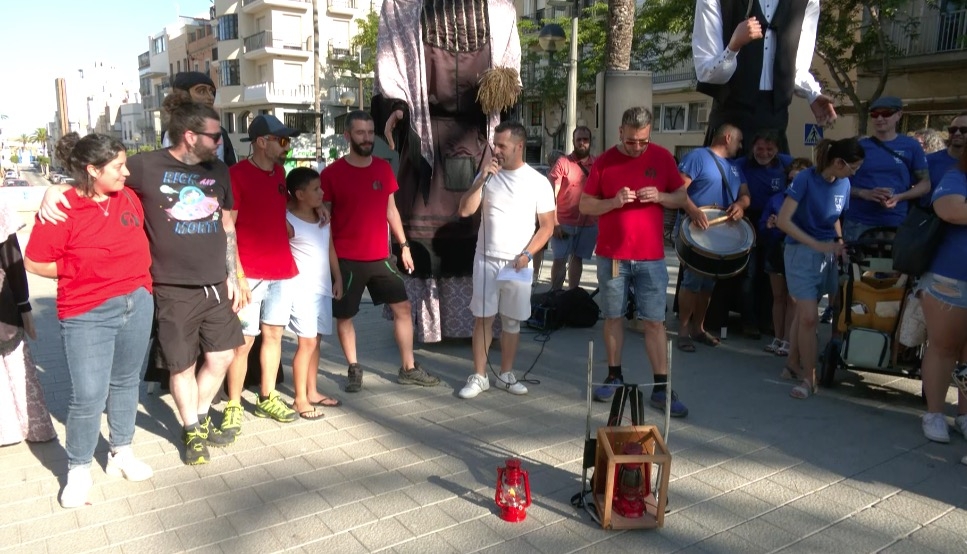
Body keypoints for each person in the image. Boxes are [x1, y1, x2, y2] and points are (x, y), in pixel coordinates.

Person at [38, 91, 246, 466]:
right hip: (171, 287)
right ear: (190, 136)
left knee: (223, 356)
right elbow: (99, 174)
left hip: (216, 283)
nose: (221, 141)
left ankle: (197, 417)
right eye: (215, 135)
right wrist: (57, 189)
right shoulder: (147, 166)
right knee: (182, 365)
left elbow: (227, 225)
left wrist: (235, 273)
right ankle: (192, 428)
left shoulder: (219, 170)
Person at [372, 0, 522, 343]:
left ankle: (484, 321)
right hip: (425, 142)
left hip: (479, 138)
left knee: (482, 230)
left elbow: (510, 80)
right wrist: (396, 108)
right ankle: (429, 325)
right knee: (423, 224)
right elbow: (392, 72)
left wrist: (503, 91)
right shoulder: (405, 6)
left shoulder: (498, 11)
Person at [25, 132, 154, 508]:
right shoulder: (62, 207)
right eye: (118, 167)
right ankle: (78, 468)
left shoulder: (127, 196)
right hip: (87, 312)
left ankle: (121, 451)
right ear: (93, 170)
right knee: (88, 395)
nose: (126, 172)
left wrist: (142, 291)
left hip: (137, 301)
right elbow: (34, 261)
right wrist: (80, 268)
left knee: (126, 382)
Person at [579, 107, 690, 417]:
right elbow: (585, 204)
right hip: (613, 255)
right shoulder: (604, 162)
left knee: (654, 321)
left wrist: (661, 197)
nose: (637, 147)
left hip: (651, 257)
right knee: (613, 316)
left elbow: (681, 197)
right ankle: (614, 376)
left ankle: (661, 387)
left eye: (643, 141)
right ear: (620, 132)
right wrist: (613, 202)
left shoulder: (662, 158)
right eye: (631, 141)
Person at [321, 111, 440, 392]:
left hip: (380, 258)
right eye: (360, 133)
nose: (366, 138)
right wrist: (332, 269)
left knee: (403, 308)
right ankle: (354, 367)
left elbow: (391, 211)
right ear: (347, 136)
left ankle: (408, 368)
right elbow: (322, 223)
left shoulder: (383, 170)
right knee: (345, 316)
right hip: (346, 260)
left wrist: (404, 246)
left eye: (369, 132)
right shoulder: (331, 174)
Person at [455, 121, 555, 399]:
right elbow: (464, 211)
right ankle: (479, 376)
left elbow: (547, 226)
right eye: (494, 145)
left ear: (519, 146)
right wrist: (481, 181)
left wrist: (527, 254)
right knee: (483, 319)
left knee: (512, 322)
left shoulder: (538, 182)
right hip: (486, 259)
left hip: (517, 264)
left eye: (502, 146)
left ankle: (506, 374)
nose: (496, 151)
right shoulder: (487, 175)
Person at [222, 115, 303, 435]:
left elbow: (276, 207)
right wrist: (237, 276)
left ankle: (267, 396)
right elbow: (228, 228)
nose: (287, 146)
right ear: (260, 142)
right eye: (281, 141)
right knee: (242, 343)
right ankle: (233, 404)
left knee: (274, 336)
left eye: (287, 140)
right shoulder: (236, 175)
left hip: (282, 271)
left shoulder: (280, 173)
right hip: (250, 276)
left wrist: (286, 222)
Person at [777, 137, 864, 399]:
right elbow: (783, 221)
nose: (854, 173)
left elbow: (835, 217)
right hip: (801, 252)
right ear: (838, 162)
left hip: (828, 254)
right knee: (809, 317)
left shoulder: (844, 183)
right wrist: (816, 244)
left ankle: (793, 363)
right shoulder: (805, 179)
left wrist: (839, 243)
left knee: (806, 314)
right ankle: (809, 378)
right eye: (853, 167)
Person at [693, 0, 837, 153]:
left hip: (774, 128)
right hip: (730, 128)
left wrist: (812, 94)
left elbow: (798, 67)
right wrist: (733, 47)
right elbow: (706, 71)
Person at [677, 124, 751, 352]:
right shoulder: (697, 157)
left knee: (708, 284)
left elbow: (745, 195)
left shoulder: (735, 167)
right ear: (728, 138)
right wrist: (694, 211)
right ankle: (683, 331)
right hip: (696, 229)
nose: (741, 146)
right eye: (739, 141)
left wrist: (740, 205)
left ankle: (698, 328)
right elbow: (678, 189)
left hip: (720, 234)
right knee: (692, 282)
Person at [281, 167, 343, 418]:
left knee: (315, 342)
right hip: (301, 291)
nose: (322, 193)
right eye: (316, 189)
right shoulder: (288, 221)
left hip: (323, 289)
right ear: (299, 194)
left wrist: (337, 278)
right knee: (306, 344)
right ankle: (299, 399)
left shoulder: (322, 218)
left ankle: (312, 391)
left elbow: (330, 249)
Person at [917, 150, 967, 444]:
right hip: (951, 279)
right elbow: (950, 209)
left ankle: (964, 414)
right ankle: (934, 413)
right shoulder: (956, 176)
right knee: (944, 347)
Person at [0, 201, 55, 447]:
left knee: (15, 366)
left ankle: (26, 428)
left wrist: (24, 305)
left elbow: (12, 259)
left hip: (3, 307)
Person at [732, 129, 792, 339]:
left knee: (772, 274)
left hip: (776, 224)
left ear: (777, 149)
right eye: (760, 148)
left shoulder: (786, 164)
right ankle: (748, 321)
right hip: (749, 220)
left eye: (770, 149)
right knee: (749, 273)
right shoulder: (740, 164)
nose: (764, 153)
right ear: (752, 147)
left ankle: (768, 319)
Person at [843, 96, 929, 242]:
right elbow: (838, 182)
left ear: (899, 115)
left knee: (894, 258)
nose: (879, 118)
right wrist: (864, 193)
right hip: (859, 221)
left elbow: (925, 184)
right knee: (856, 258)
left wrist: (900, 197)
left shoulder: (911, 146)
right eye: (874, 114)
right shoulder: (859, 146)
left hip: (896, 222)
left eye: (886, 113)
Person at [760, 157, 813, 359]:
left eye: (798, 180)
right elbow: (762, 225)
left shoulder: (810, 201)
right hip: (776, 251)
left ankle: (788, 340)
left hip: (798, 252)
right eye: (790, 180)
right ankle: (777, 337)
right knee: (778, 297)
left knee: (793, 299)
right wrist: (768, 225)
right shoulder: (776, 199)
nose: (793, 184)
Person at [548, 127, 597, 291]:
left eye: (585, 139)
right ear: (573, 142)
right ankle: (555, 295)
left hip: (587, 223)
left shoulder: (597, 164)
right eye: (579, 140)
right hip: (563, 222)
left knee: (577, 259)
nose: (582, 143)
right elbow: (551, 194)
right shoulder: (563, 162)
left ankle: (572, 295)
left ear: (590, 141)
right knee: (559, 260)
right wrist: (554, 222)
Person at [162, 71, 237, 166]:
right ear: (183, 96)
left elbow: (231, 169)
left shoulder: (221, 134)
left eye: (211, 92)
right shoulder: (169, 135)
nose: (210, 97)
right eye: (201, 91)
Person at [925, 113, 967, 206]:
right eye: (953, 129)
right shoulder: (929, 161)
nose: (957, 133)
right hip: (930, 213)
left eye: (964, 130)